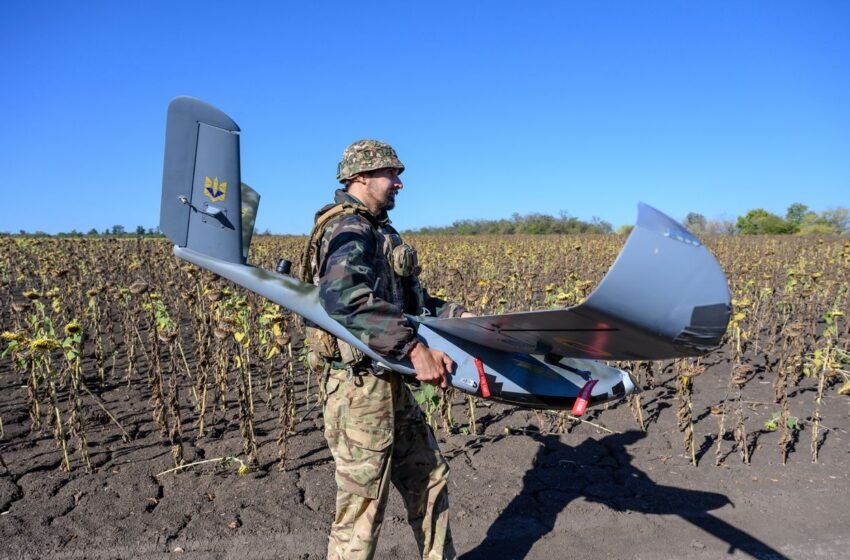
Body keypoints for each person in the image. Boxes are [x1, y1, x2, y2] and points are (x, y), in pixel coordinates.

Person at [301, 139, 469, 560]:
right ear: (361, 177)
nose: (399, 183)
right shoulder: (348, 229)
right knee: (363, 507)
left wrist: (456, 317)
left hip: (389, 382)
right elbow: (344, 297)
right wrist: (415, 351)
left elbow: (409, 300)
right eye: (391, 174)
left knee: (428, 478)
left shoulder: (379, 231)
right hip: (359, 391)